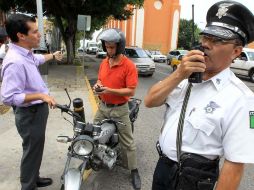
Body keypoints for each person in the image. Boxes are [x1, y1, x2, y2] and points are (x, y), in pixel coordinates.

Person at [144, 1, 254, 190]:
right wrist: (179, 74)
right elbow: (150, 101)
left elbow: (234, 166)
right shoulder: (185, 76)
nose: (206, 45)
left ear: (236, 51)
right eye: (206, 37)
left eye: (218, 40)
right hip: (163, 168)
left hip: (193, 180)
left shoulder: (242, 98)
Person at [0, 14, 63, 190]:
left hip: (36, 112)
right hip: (30, 114)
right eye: (35, 32)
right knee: (31, 150)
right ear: (21, 35)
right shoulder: (15, 61)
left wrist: (53, 55)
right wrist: (41, 96)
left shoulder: (26, 53)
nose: (39, 35)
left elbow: (37, 60)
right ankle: (27, 185)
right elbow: (9, 97)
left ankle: (34, 177)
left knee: (35, 148)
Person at [93, 28, 141, 190]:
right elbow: (100, 79)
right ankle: (95, 159)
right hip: (103, 107)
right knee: (92, 134)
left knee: (128, 142)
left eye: (112, 47)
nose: (109, 50)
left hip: (120, 109)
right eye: (106, 46)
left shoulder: (129, 66)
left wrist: (109, 90)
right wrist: (98, 86)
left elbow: (131, 91)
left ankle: (134, 170)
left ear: (119, 47)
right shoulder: (104, 62)